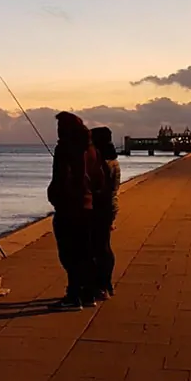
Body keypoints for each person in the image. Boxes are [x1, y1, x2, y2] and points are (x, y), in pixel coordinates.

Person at [46, 111, 105, 311]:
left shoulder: (65, 149)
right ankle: (87, 294)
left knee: (69, 254)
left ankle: (73, 296)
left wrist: (54, 195)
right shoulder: (92, 150)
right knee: (85, 252)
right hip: (88, 207)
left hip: (69, 209)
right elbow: (100, 180)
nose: (57, 131)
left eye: (59, 127)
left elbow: (61, 178)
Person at [90, 126, 121, 300]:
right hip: (110, 205)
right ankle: (106, 284)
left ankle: (102, 285)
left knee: (99, 248)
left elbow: (97, 187)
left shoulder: (101, 162)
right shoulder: (113, 160)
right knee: (103, 247)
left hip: (101, 207)